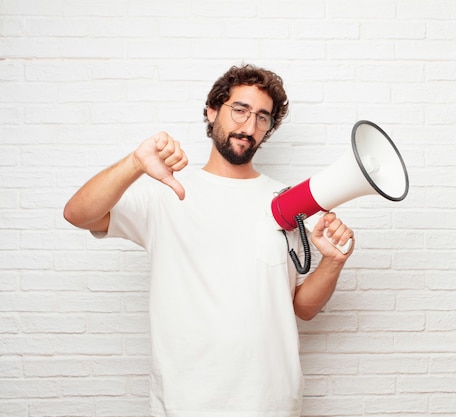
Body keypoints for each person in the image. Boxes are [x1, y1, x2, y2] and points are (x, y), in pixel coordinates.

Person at [63, 64, 354, 417]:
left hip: (272, 402)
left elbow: (303, 308)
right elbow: (78, 214)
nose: (249, 127)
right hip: (187, 402)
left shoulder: (285, 203)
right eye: (240, 110)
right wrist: (136, 163)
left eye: (262, 118)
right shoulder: (168, 192)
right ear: (212, 110)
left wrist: (332, 261)